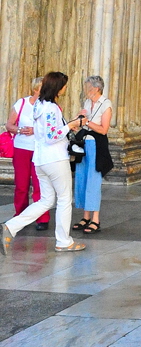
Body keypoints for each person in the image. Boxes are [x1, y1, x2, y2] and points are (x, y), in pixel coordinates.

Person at [1, 71, 86, 254]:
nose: (65, 89)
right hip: (54, 158)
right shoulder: (51, 108)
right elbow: (52, 136)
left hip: (40, 159)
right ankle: (64, 241)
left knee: (46, 200)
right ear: (58, 87)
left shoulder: (39, 105)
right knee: (64, 199)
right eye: (64, 85)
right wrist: (72, 125)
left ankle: (10, 227)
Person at [6, 76, 49, 231]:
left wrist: (35, 130)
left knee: (40, 184)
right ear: (36, 88)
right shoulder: (22, 103)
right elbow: (9, 124)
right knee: (21, 184)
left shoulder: (48, 105)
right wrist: (19, 130)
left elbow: (51, 127)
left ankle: (42, 218)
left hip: (39, 149)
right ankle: (20, 215)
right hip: (22, 148)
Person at [72, 76, 114, 235]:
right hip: (84, 144)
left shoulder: (106, 104)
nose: (86, 90)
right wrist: (78, 120)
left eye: (88, 87)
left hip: (97, 145)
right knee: (82, 178)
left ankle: (96, 218)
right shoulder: (87, 103)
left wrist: (87, 122)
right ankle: (85, 216)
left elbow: (104, 129)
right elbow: (82, 122)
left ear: (96, 88)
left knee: (93, 180)